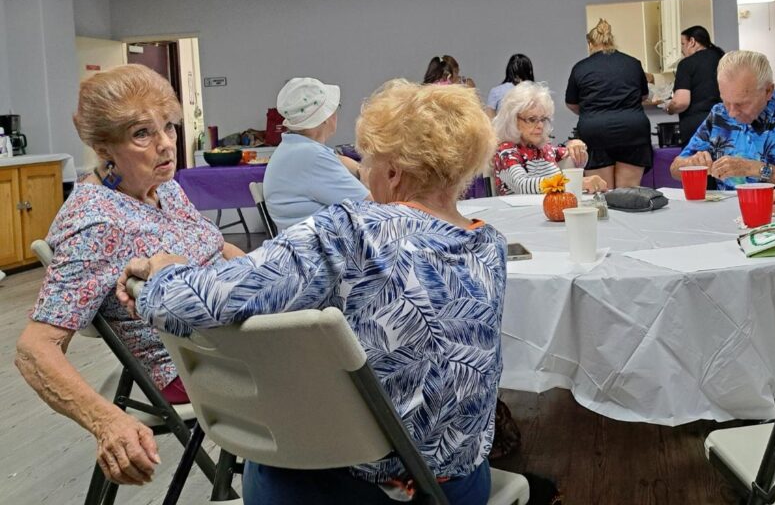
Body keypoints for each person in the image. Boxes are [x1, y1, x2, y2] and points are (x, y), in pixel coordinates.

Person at [117, 80, 504, 505]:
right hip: (461, 487)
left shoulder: (352, 233)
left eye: (367, 159)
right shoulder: (490, 246)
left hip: (357, 491)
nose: (361, 169)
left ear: (393, 172)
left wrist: (162, 272)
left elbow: (192, 303)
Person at [15, 65, 244, 487]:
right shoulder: (96, 223)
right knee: (350, 365)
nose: (165, 145)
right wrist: (106, 423)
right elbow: (34, 349)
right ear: (104, 146)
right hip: (202, 362)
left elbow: (218, 246)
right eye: (142, 134)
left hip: (238, 331)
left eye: (169, 127)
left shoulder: (162, 186)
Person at [670, 50, 775, 193]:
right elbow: (674, 169)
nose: (732, 113)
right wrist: (692, 163)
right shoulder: (719, 113)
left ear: (768, 91)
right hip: (727, 213)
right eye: (726, 101)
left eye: (742, 104)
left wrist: (757, 169)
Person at [263, 77, 368, 231]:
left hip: (298, 243)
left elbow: (335, 158)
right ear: (325, 118)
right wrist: (367, 175)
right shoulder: (313, 157)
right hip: (321, 250)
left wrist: (359, 169)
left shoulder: (292, 148)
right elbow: (371, 205)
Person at [565, 19, 653, 189]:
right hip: (632, 131)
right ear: (611, 40)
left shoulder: (580, 68)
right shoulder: (633, 64)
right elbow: (643, 96)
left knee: (601, 193)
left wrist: (590, 112)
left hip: (595, 132)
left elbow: (572, 104)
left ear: (590, 44)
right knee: (629, 193)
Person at [492, 81, 607, 195]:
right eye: (532, 119)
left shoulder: (544, 149)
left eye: (543, 119)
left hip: (550, 209)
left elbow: (579, 161)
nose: (540, 125)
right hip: (519, 212)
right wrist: (576, 183)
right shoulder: (506, 151)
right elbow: (522, 185)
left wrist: (577, 146)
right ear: (513, 120)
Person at [663, 25, 725, 147]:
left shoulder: (687, 64)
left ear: (692, 42)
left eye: (682, 44)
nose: (682, 49)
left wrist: (669, 108)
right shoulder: (723, 59)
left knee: (697, 165)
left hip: (697, 128)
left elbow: (681, 102)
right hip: (724, 124)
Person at [485, 53, 535, 119]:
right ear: (529, 71)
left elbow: (489, 119)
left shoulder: (496, 91)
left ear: (509, 70)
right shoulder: (536, 93)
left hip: (502, 129)